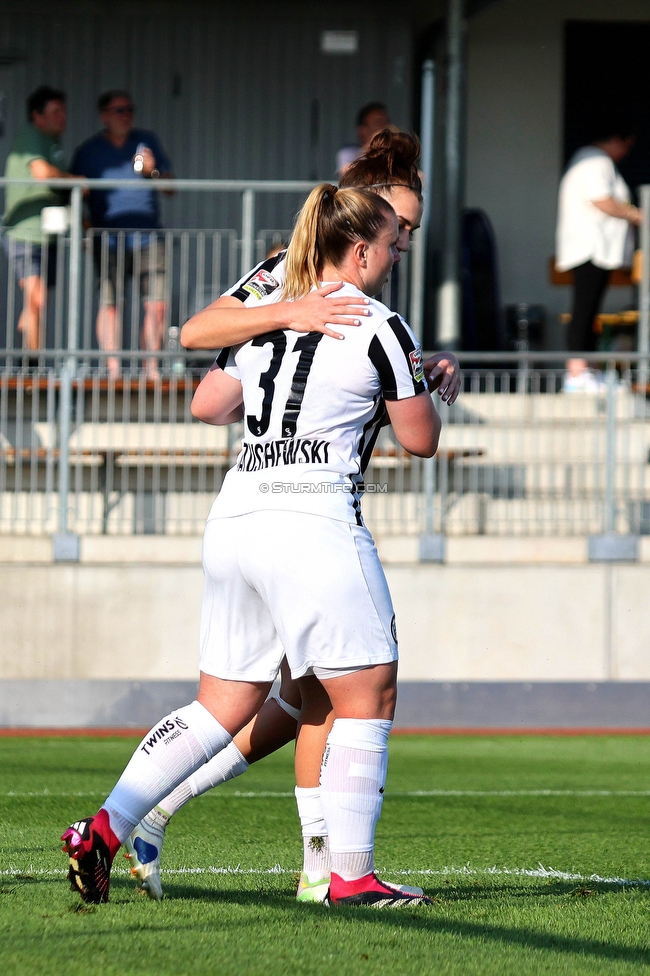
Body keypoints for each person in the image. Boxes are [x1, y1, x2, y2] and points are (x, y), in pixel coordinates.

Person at [61, 183, 440, 909]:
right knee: (367, 692)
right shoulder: (381, 324)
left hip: (237, 515)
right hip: (314, 517)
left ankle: (105, 829)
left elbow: (209, 403)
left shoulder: (265, 318)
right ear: (359, 250)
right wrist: (428, 382)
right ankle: (349, 877)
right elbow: (420, 440)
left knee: (219, 705)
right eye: (392, 246)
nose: (395, 258)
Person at [70, 90, 174, 379]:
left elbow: (170, 188)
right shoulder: (88, 151)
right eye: (118, 110)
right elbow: (73, 194)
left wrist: (152, 172)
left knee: (157, 305)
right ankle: (113, 371)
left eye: (129, 109)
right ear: (104, 116)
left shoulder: (147, 142)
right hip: (108, 240)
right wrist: (85, 231)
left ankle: (151, 370)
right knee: (110, 304)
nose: (126, 115)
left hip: (149, 238)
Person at [556, 117, 642, 387]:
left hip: (596, 249)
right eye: (626, 145)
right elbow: (602, 200)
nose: (626, 152)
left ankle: (586, 369)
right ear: (615, 139)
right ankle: (577, 373)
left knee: (590, 310)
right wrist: (636, 215)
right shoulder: (595, 161)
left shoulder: (592, 160)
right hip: (591, 248)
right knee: (584, 309)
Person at [2, 86, 74, 351]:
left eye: (63, 111)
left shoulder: (54, 144)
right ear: (37, 116)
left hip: (46, 235)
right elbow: (42, 172)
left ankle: (26, 360)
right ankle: (34, 369)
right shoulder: (30, 135)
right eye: (55, 112)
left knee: (34, 302)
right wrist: (76, 181)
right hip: (25, 233)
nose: (62, 117)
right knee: (37, 299)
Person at [336, 102, 391, 177]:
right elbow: (349, 174)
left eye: (386, 122)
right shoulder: (349, 152)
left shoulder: (394, 151)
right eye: (378, 123)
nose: (385, 127)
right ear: (362, 130)